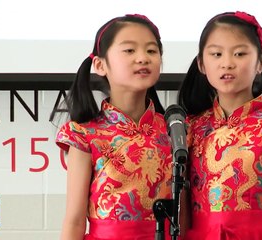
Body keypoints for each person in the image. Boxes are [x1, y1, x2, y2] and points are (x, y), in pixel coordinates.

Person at [178, 11, 262, 240]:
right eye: (216, 54)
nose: (227, 63)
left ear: (261, 62)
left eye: (239, 53)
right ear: (201, 63)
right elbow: (184, 210)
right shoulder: (191, 130)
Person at [55, 14, 173, 240]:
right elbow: (75, 220)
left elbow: (184, 214)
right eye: (129, 50)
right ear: (100, 64)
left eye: (151, 51)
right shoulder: (85, 133)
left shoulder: (174, 130)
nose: (143, 58)